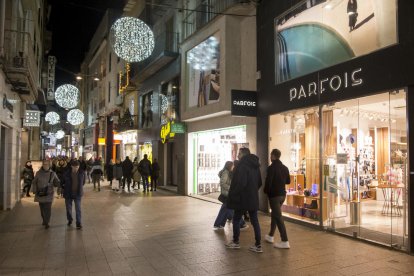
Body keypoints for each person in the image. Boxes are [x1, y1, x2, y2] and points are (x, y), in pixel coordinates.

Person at [226, 148, 263, 253]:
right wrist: (252, 191)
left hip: (242, 198)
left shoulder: (242, 166)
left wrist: (234, 194)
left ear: (243, 154)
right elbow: (259, 182)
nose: (238, 155)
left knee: (236, 219)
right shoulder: (256, 166)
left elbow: (241, 183)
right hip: (253, 197)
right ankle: (258, 245)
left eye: (239, 153)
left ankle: (236, 242)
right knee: (254, 220)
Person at [264, 149, 291, 249]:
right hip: (282, 195)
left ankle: (285, 240)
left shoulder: (271, 168)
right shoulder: (285, 168)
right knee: (275, 214)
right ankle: (270, 235)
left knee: (278, 217)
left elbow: (268, 182)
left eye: (271, 155)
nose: (270, 157)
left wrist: (266, 191)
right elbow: (288, 181)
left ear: (273, 156)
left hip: (274, 196)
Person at [213, 161, 247, 230]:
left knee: (225, 209)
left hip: (227, 194)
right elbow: (222, 183)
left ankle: (219, 224)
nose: (233, 167)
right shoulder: (226, 172)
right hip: (227, 194)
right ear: (229, 166)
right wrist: (231, 188)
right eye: (232, 166)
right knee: (232, 209)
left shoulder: (228, 172)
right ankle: (241, 223)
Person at [31, 159, 60, 229]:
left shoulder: (52, 173)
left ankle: (47, 222)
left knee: (48, 208)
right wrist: (34, 190)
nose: (45, 165)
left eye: (47, 164)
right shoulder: (38, 173)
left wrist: (57, 184)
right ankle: (44, 219)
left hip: (49, 193)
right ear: (42, 165)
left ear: (49, 165)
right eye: (44, 164)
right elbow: (34, 182)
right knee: (42, 208)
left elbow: (57, 182)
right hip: (40, 193)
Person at [62, 160, 85, 229]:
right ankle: (70, 219)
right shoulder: (66, 173)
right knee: (68, 209)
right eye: (74, 167)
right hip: (68, 193)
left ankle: (78, 223)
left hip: (77, 194)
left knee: (78, 209)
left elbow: (83, 182)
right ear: (71, 166)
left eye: (77, 167)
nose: (76, 168)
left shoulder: (82, 173)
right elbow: (62, 182)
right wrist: (64, 187)